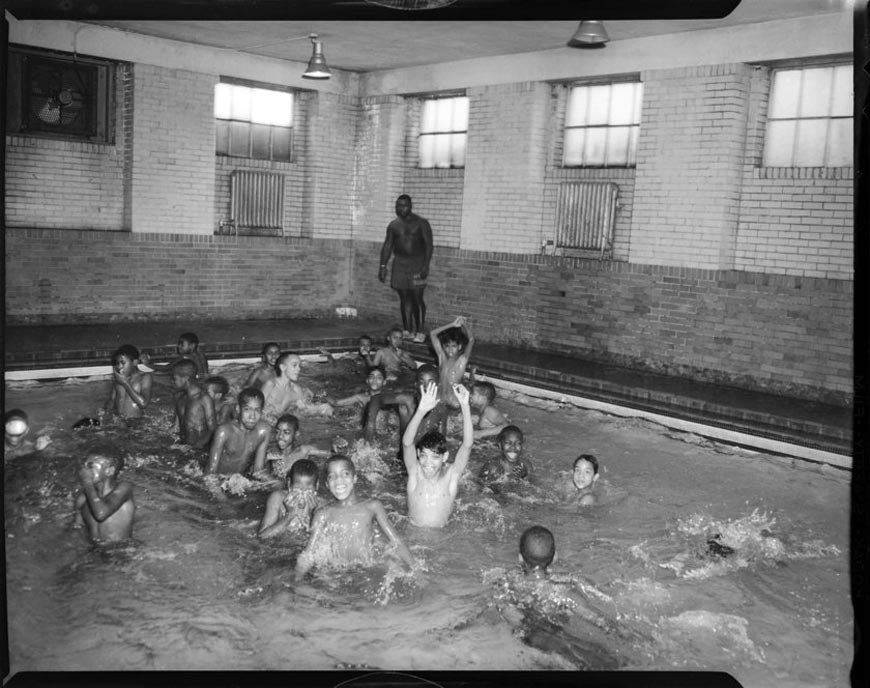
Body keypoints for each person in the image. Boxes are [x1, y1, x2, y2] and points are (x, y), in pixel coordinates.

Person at [295, 454, 417, 580]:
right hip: (336, 574)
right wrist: (296, 580)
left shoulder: (372, 506)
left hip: (367, 569)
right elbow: (309, 554)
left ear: (355, 478)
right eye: (332, 476)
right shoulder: (323, 514)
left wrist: (416, 570)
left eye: (345, 474)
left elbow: (396, 542)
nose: (339, 480)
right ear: (327, 484)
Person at [400, 380, 473, 528]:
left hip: (441, 542)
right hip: (413, 539)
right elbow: (407, 444)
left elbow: (467, 445)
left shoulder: (450, 478)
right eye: (424, 455)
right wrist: (420, 411)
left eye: (435, 457)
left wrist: (465, 406)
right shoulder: (415, 475)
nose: (428, 462)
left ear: (444, 457)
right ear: (418, 454)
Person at [378, 194, 433, 343]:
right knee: (404, 297)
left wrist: (426, 265)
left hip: (417, 262)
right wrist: (383, 265)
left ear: (410, 206)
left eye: (404, 205)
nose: (401, 208)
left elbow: (429, 245)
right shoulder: (394, 225)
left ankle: (420, 330)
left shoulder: (421, 223)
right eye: (398, 206)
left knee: (417, 297)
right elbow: (388, 246)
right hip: (400, 263)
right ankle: (407, 329)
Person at [363, 363, 444, 442]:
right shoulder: (407, 400)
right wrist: (370, 423)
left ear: (438, 385)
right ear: (416, 384)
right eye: (422, 382)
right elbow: (377, 398)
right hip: (404, 450)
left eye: (431, 382)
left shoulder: (441, 406)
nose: (426, 386)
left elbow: (443, 437)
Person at [205, 387, 272, 476]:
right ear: (238, 409)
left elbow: (258, 470)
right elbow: (210, 472)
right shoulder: (224, 432)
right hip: (219, 480)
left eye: (257, 410)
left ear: (261, 411)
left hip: (240, 481)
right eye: (247, 409)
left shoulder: (264, 431)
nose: (252, 416)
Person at [73, 449, 135, 543]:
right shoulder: (83, 498)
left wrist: (87, 482)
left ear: (109, 471)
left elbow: (101, 514)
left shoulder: (124, 488)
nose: (84, 470)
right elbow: (77, 529)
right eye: (84, 465)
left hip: (121, 551)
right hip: (94, 552)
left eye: (90, 466)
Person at [258, 458, 322, 539]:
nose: (301, 494)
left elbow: (320, 542)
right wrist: (289, 515)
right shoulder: (277, 498)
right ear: (289, 484)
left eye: (308, 490)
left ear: (316, 486)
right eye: (297, 489)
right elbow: (262, 537)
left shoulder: (321, 506)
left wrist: (310, 515)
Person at [262, 352, 334, 422]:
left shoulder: (296, 390)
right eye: (294, 365)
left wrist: (323, 409)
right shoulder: (271, 384)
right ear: (283, 367)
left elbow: (305, 410)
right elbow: (258, 406)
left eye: (299, 366)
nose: (299, 369)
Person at [265, 414, 331, 479]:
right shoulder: (271, 454)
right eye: (277, 432)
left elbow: (329, 454)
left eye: (286, 432)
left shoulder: (304, 451)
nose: (280, 436)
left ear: (296, 434)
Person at [430, 316, 475, 409]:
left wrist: (464, 325)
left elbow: (471, 340)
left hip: (453, 400)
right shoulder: (442, 358)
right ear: (443, 346)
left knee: (457, 406)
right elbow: (432, 334)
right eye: (447, 346)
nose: (450, 349)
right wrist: (452, 325)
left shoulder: (462, 360)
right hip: (440, 395)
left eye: (453, 346)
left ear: (459, 347)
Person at [171, 359, 216, 449]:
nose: (173, 382)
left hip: (200, 448)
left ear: (185, 378)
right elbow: (175, 427)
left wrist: (196, 447)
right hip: (184, 445)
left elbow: (213, 429)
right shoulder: (180, 399)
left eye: (175, 379)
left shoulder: (203, 398)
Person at [104, 344, 153, 419]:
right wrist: (106, 412)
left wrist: (125, 383)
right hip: (118, 421)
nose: (119, 367)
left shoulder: (144, 377)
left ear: (135, 362)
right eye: (117, 363)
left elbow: (143, 404)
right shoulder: (118, 378)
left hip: (136, 422)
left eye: (123, 363)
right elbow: (112, 399)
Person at [141, 332, 209, 379]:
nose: (178, 346)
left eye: (182, 345)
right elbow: (205, 374)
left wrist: (147, 364)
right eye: (179, 344)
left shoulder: (185, 357)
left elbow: (166, 368)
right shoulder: (201, 355)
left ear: (192, 346)